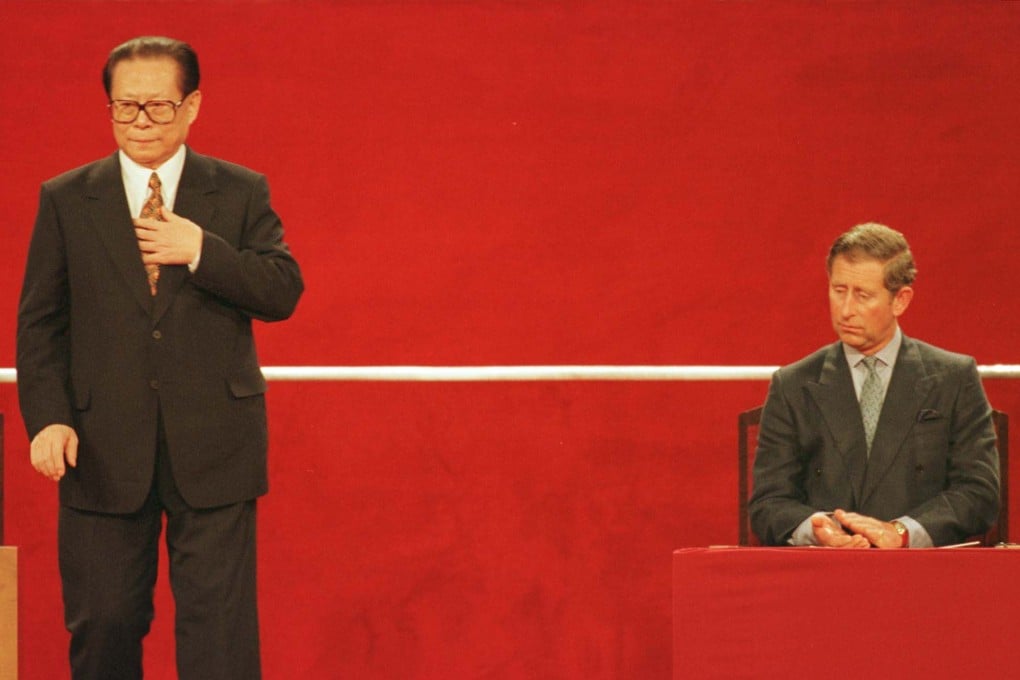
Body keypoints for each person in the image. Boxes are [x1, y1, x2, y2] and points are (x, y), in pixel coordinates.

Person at [16, 36, 303, 678]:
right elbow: (40, 323)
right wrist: (48, 418)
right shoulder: (67, 197)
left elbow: (282, 289)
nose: (140, 123)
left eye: (158, 107)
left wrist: (201, 249)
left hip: (215, 444)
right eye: (125, 108)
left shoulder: (238, 191)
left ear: (193, 106)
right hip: (99, 445)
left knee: (219, 639)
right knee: (105, 622)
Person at [749, 223, 999, 549]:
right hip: (824, 578)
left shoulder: (953, 378)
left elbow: (980, 493)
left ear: (901, 300)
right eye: (839, 291)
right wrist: (814, 528)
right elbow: (768, 502)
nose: (847, 309)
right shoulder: (793, 384)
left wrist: (901, 532)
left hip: (922, 577)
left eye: (863, 295)